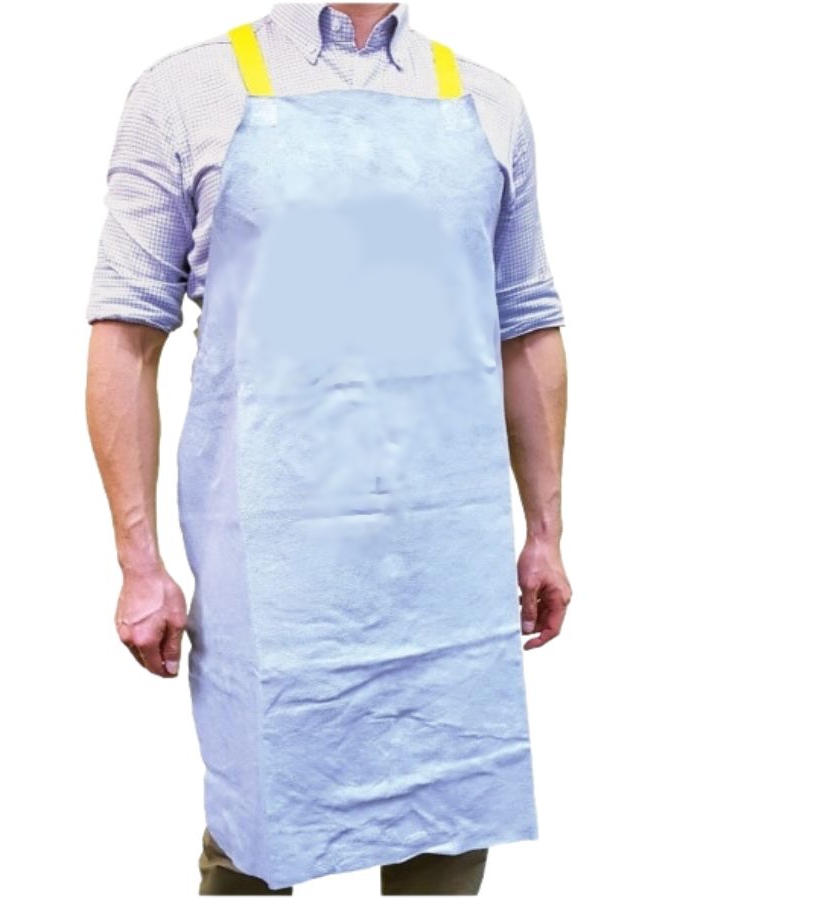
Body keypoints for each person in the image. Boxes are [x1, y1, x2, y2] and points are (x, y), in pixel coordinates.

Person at [84, 2, 572, 895]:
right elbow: (126, 336)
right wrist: (138, 560)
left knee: (447, 819)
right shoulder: (186, 92)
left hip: (444, 562)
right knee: (257, 833)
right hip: (275, 573)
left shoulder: (489, 102)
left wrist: (546, 530)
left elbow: (527, 326)